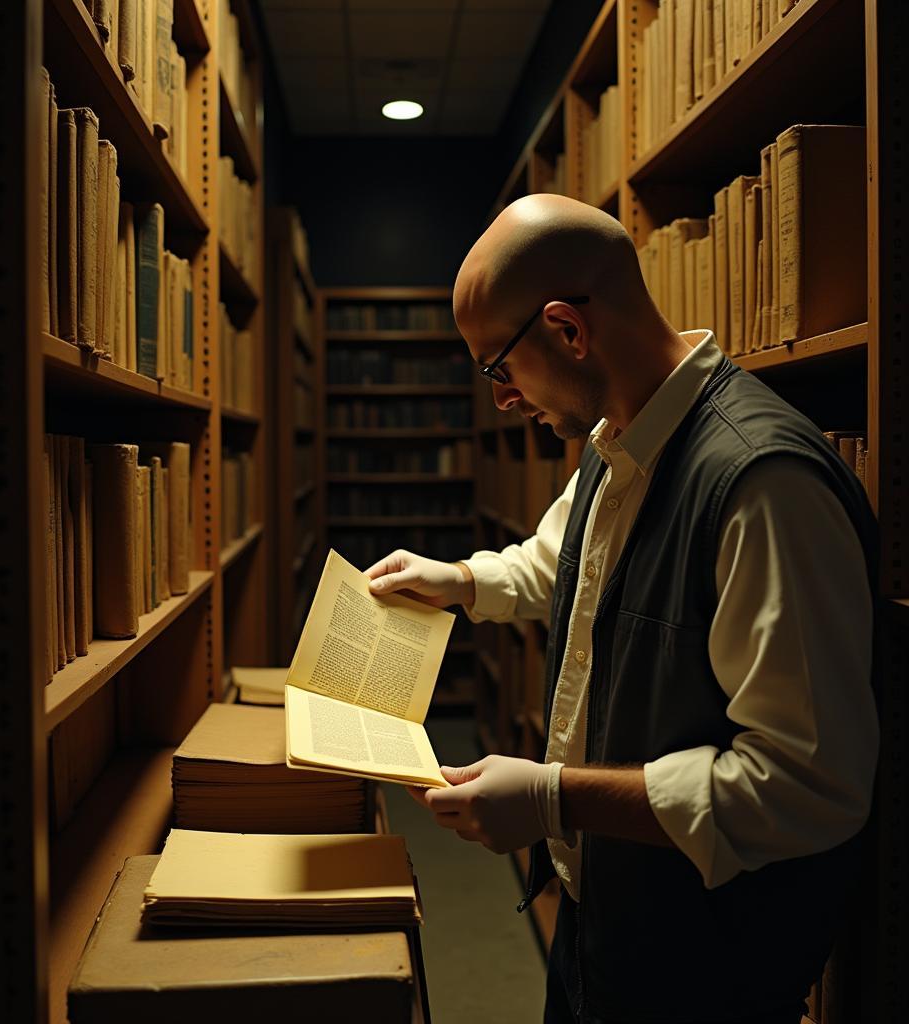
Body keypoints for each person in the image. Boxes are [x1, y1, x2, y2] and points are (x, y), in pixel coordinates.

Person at [365, 194, 878, 1024]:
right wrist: (458, 580)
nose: (500, 401)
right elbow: (562, 562)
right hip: (604, 920)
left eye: (498, 368)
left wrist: (552, 799)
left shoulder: (763, 485)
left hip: (704, 967)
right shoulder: (621, 439)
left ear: (568, 330)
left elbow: (805, 787)